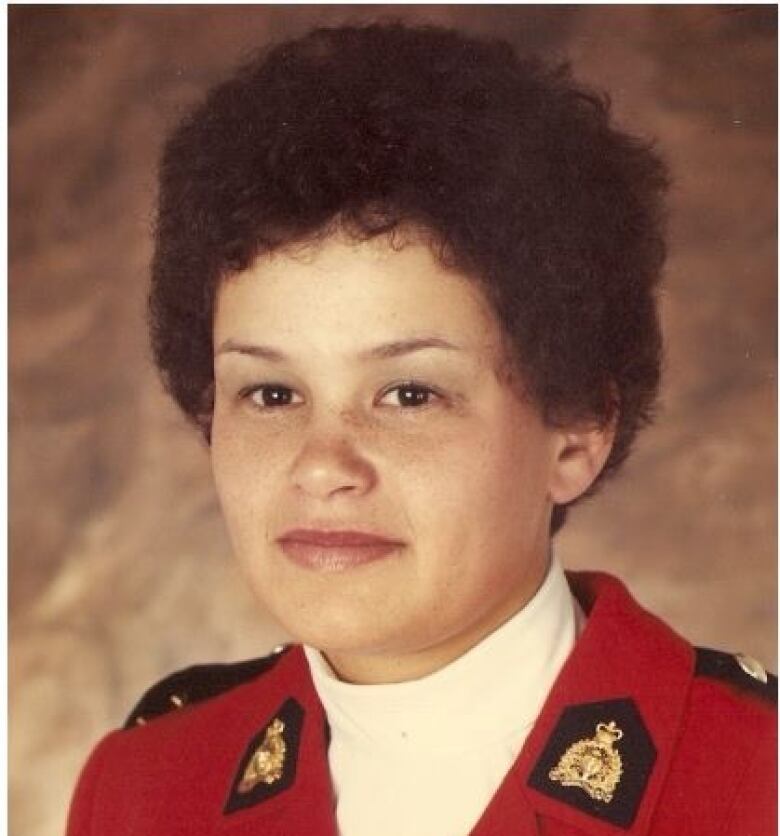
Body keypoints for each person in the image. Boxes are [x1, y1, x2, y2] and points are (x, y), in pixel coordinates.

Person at [66, 22, 775, 836]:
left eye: (407, 394)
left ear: (577, 433)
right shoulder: (140, 788)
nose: (322, 466)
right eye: (270, 394)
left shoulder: (755, 769)